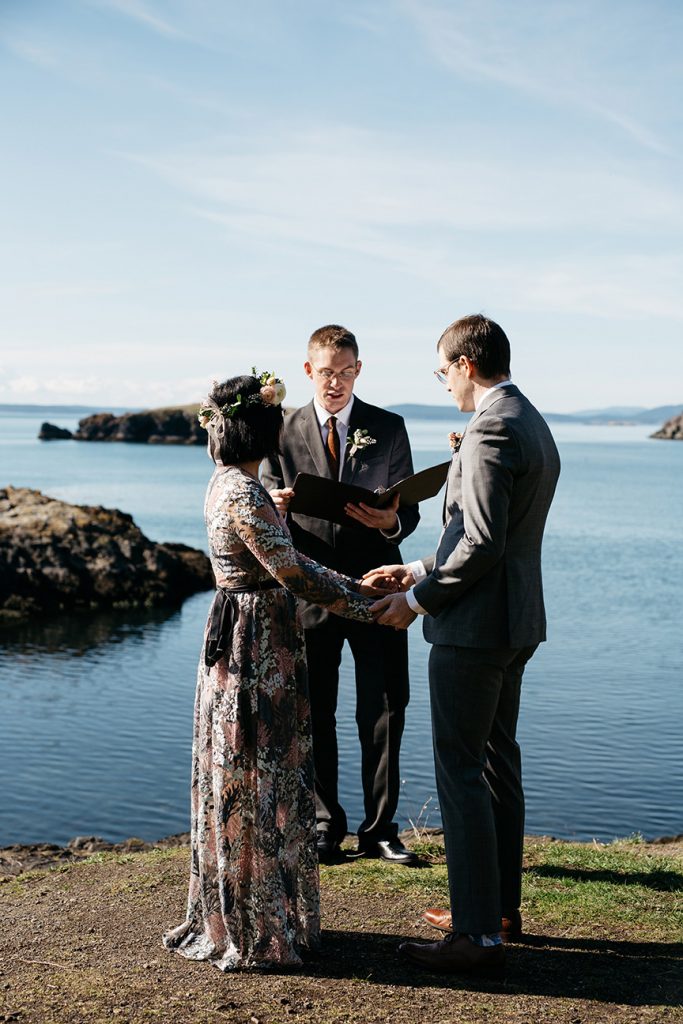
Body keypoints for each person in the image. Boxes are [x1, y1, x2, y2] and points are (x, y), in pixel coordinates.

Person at [163, 371, 395, 972]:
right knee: (259, 773)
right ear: (263, 434)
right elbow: (292, 572)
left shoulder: (226, 484)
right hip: (256, 644)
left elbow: (284, 562)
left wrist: (347, 583)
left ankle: (241, 908)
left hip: (243, 633)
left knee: (244, 771)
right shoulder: (244, 495)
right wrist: (366, 601)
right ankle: (255, 923)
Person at [369, 315, 560, 973]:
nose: (443, 380)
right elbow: (487, 533)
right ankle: (496, 909)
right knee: (496, 761)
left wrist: (417, 601)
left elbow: (479, 541)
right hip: (514, 624)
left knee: (460, 768)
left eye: (442, 369)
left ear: (464, 364)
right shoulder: (529, 418)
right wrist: (416, 568)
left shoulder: (490, 428)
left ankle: (475, 935)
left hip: (474, 630)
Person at [261, 325, 420, 865]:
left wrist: (392, 520)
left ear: (359, 370)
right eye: (326, 372)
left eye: (345, 372)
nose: (336, 382)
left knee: (383, 708)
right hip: (310, 592)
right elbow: (261, 509)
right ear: (308, 371)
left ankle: (381, 831)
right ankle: (325, 826)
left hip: (378, 586)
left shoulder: (388, 426)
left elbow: (411, 514)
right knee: (314, 712)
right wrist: (275, 507)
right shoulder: (279, 431)